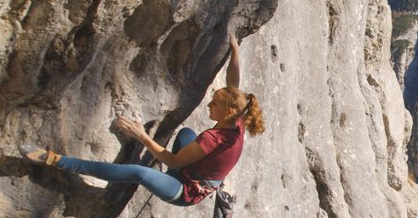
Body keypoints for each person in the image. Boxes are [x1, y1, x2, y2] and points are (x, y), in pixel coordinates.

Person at [20, 32, 265, 206]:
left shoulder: (213, 138)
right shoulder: (237, 120)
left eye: (215, 104)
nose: (209, 106)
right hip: (197, 169)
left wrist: (141, 136)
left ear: (229, 111)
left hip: (187, 190)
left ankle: (60, 161)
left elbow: (173, 160)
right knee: (186, 134)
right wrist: (234, 51)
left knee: (140, 173)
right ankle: (172, 171)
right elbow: (234, 83)